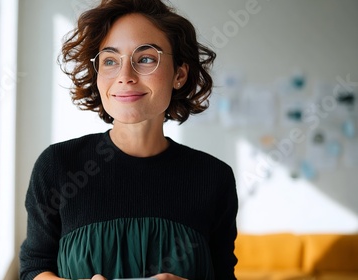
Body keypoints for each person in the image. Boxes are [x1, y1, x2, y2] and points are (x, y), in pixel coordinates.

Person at [19, 0, 238, 279]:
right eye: (110, 61)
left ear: (179, 75)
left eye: (145, 58)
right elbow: (34, 268)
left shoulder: (213, 177)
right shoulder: (58, 165)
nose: (125, 76)